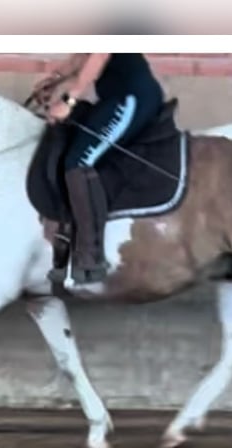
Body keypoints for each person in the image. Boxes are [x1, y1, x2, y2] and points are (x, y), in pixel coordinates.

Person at [35, 53, 164, 284]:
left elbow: (99, 53)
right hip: (112, 98)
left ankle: (91, 258)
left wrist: (69, 99)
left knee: (79, 161)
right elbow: (84, 54)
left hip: (130, 98)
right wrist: (55, 78)